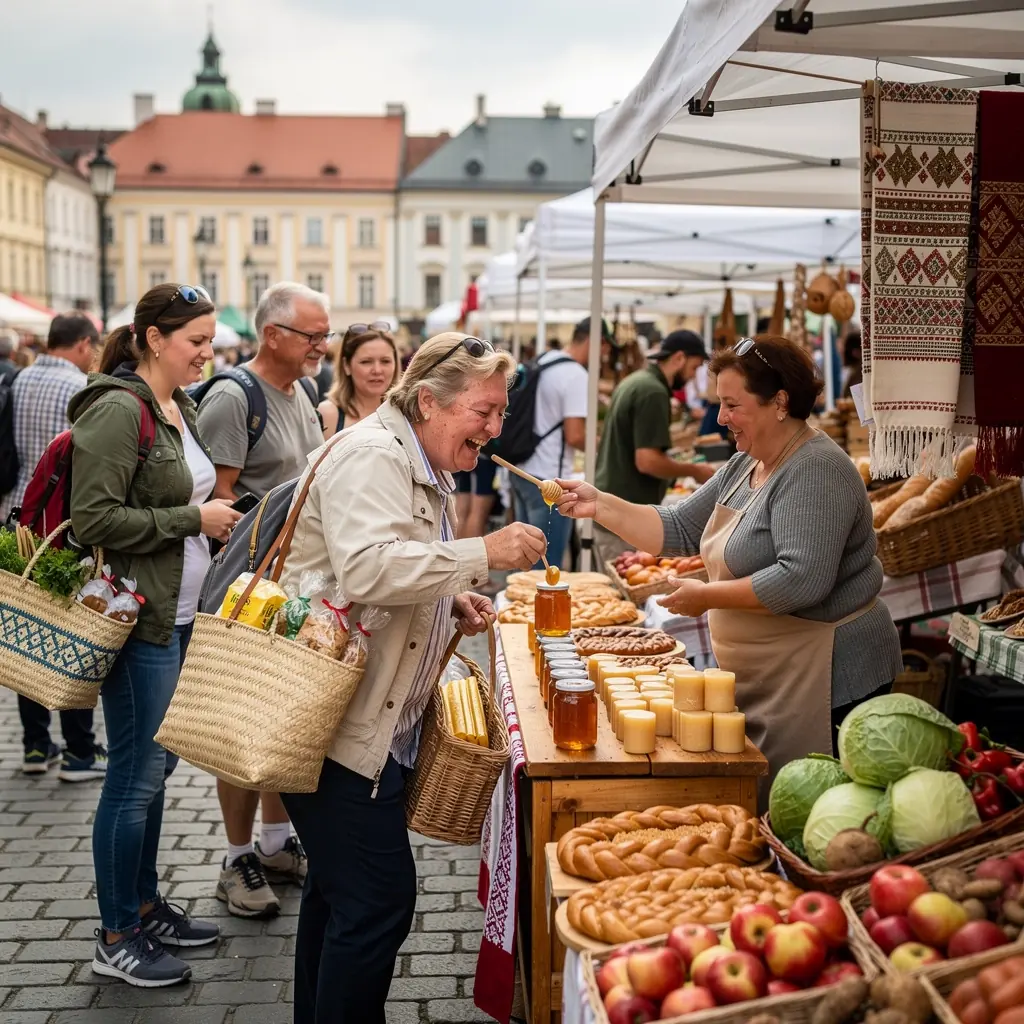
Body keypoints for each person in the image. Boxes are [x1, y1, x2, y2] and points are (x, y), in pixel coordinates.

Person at [278, 332, 545, 1023]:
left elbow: (377, 566)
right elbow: (368, 568)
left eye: (500, 412)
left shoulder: (412, 454)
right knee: (377, 901)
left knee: (340, 896)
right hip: (337, 722)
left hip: (361, 716)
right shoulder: (374, 456)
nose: (495, 427)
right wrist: (480, 552)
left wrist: (444, 596)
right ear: (428, 401)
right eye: (483, 411)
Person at [556, 334, 902, 799]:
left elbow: (802, 580)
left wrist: (707, 597)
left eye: (732, 405)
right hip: (772, 672)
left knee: (818, 804)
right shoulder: (746, 464)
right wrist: (601, 505)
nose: (720, 418)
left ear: (779, 402)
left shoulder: (816, 468)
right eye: (719, 403)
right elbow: (678, 528)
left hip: (829, 674)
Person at [69, 283, 243, 986]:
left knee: (157, 768)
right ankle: (116, 934)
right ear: (150, 337)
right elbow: (93, 521)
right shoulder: (117, 409)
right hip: (139, 617)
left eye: (209, 340)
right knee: (134, 776)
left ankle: (143, 904)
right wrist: (191, 521)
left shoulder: (180, 404)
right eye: (196, 341)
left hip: (179, 610)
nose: (208, 352)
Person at [195, 281, 328, 918]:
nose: (322, 347)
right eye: (312, 336)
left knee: (282, 716)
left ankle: (277, 843)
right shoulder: (232, 397)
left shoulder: (302, 391)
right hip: (244, 589)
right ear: (273, 334)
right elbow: (219, 508)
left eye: (325, 335)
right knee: (241, 722)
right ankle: (237, 856)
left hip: (294, 584)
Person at [2, 312, 107, 780]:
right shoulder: (80, 390)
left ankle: (34, 745)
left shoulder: (18, 378)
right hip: (63, 523)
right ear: (84, 344)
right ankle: (79, 748)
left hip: (19, 519)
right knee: (69, 633)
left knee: (28, 628)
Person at [593, 330, 716, 567]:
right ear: (679, 358)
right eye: (694, 367)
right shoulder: (653, 391)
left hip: (615, 509)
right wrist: (693, 470)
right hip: (625, 515)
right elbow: (647, 461)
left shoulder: (636, 381)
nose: (692, 377)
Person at [512, 317, 607, 567]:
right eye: (606, 347)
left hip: (522, 469)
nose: (605, 355)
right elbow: (575, 435)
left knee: (524, 558)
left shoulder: (545, 359)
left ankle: (520, 605)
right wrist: (608, 447)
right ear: (595, 341)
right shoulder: (576, 375)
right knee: (545, 564)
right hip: (549, 482)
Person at [318, 322, 399, 437]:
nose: (377, 370)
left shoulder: (407, 415)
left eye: (385, 361)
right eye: (366, 362)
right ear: (346, 365)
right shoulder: (328, 415)